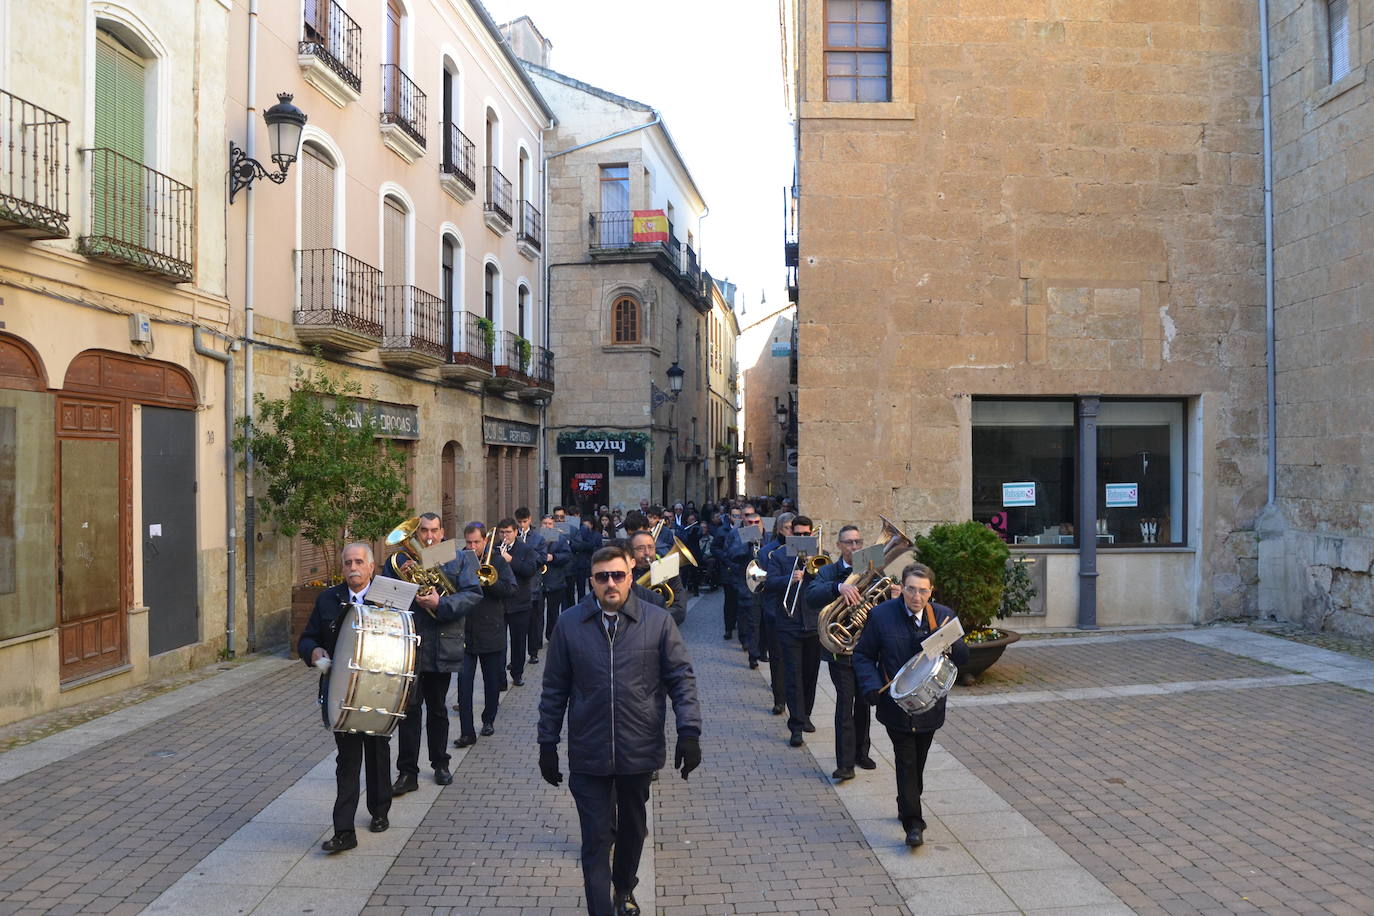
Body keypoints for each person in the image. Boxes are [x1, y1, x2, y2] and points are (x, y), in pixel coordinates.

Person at [538, 545, 702, 916]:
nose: (610, 583)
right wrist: (547, 742)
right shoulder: (569, 624)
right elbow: (554, 688)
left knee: (632, 830)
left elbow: (681, 679)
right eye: (602, 577)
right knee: (595, 841)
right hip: (589, 751)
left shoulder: (657, 621)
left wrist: (689, 731)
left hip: (638, 748)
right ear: (592, 581)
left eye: (617, 575)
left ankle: (625, 887)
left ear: (630, 575)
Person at [853, 562, 968, 847]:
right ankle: (913, 824)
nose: (916, 596)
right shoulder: (881, 616)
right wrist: (869, 686)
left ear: (931, 591)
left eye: (923, 591)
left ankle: (907, 799)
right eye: (911, 589)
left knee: (918, 762)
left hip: (929, 706)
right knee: (905, 760)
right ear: (901, 587)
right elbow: (863, 655)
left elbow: (963, 659)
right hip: (895, 705)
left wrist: (950, 644)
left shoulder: (943, 616)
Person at [298, 543, 393, 853]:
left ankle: (379, 810)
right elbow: (308, 637)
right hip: (342, 693)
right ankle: (344, 831)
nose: (353, 567)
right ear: (342, 568)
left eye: (359, 562)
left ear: (371, 567)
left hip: (379, 689)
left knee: (377, 752)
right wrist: (313, 651)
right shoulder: (328, 599)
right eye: (348, 562)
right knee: (348, 761)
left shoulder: (388, 598)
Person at [392, 514, 484, 795]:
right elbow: (388, 593)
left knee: (438, 709)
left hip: (443, 642)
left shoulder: (458, 558)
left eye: (434, 531)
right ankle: (407, 773)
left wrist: (440, 602)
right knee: (408, 711)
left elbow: (473, 594)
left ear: (443, 532)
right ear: (417, 533)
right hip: (411, 644)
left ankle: (440, 763)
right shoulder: (401, 559)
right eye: (423, 531)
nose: (429, 537)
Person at [804, 524, 874, 782]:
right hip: (840, 648)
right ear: (839, 545)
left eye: (858, 542)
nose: (854, 547)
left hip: (866, 648)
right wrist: (838, 588)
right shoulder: (827, 571)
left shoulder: (870, 565)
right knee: (846, 703)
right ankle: (845, 764)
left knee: (865, 701)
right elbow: (811, 596)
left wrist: (895, 593)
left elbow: (884, 595)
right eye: (848, 543)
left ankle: (861, 753)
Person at [454, 523, 517, 746]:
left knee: (491, 683)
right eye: (468, 542)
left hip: (491, 630)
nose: (472, 547)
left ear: (485, 541)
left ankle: (488, 719)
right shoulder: (459, 560)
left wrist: (489, 581)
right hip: (464, 631)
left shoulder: (497, 561)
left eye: (476, 542)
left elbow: (510, 589)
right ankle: (467, 732)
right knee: (463, 685)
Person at [764, 515, 821, 747]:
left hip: (813, 623)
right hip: (788, 623)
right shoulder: (778, 555)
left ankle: (806, 714)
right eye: (796, 534)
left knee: (811, 675)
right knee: (793, 676)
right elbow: (769, 583)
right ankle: (795, 726)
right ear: (790, 534)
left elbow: (827, 583)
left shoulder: (819, 557)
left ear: (811, 535)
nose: (801, 538)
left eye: (805, 535)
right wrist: (791, 577)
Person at [757, 513, 794, 715]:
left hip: (798, 613)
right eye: (788, 527)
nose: (792, 531)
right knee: (778, 658)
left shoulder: (805, 549)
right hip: (775, 611)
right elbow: (764, 582)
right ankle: (779, 699)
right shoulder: (767, 552)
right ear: (780, 529)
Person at [496, 516, 539, 687]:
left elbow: (530, 570)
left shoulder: (526, 549)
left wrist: (510, 560)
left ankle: (517, 673)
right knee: (499, 643)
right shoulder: (494, 548)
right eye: (502, 532)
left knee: (518, 641)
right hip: (499, 602)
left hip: (520, 603)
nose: (504, 535)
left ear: (516, 532)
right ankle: (500, 679)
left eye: (508, 532)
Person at [628, 529, 686, 625]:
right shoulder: (624, 574)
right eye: (640, 548)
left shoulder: (667, 571)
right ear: (631, 551)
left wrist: (651, 619)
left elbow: (680, 610)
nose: (647, 552)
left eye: (650, 547)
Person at [537, 514, 573, 653]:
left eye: (549, 524)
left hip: (555, 580)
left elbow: (567, 556)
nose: (547, 526)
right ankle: (537, 641)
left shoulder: (561, 538)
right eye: (544, 523)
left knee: (553, 612)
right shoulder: (536, 539)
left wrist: (554, 557)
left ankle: (551, 636)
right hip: (539, 581)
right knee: (537, 614)